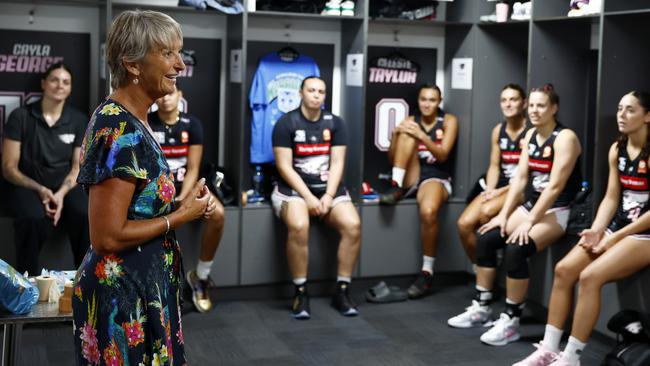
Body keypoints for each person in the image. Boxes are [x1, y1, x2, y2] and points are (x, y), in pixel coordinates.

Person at [72, 10, 214, 365]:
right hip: (122, 298)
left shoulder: (137, 119)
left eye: (179, 53)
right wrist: (180, 216)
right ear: (132, 65)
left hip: (146, 289)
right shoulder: (115, 128)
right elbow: (106, 237)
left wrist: (182, 207)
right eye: (168, 54)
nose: (180, 65)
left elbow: (140, 202)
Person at [513, 91, 650, 366]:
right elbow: (612, 197)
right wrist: (598, 231)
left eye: (630, 110)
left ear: (647, 116)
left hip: (643, 233)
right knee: (564, 270)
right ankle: (548, 350)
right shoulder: (617, 148)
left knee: (589, 277)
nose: (621, 115)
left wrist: (614, 238)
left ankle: (571, 358)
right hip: (619, 225)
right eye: (620, 108)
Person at [447, 85, 582, 347]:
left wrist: (529, 221)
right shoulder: (531, 134)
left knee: (515, 248)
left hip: (560, 209)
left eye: (541, 105)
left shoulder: (565, 137)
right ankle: (483, 307)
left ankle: (511, 321)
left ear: (554, 108)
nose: (534, 110)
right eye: (531, 105)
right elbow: (520, 179)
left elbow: (555, 186)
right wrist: (503, 215)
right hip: (531, 205)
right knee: (486, 237)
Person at [272, 76, 361, 319]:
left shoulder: (335, 123)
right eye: (311, 90)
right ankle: (300, 291)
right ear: (301, 93)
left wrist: (329, 195)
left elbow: (338, 161)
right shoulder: (286, 123)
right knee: (300, 225)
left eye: (321, 91)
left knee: (353, 225)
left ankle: (342, 290)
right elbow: (284, 167)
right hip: (294, 190)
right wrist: (309, 197)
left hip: (327, 188)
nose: (316, 95)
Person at [1, 62, 89, 275]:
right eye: (54, 80)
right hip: (28, 184)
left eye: (66, 82)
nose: (60, 85)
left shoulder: (78, 120)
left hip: (65, 187)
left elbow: (77, 168)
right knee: (31, 217)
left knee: (85, 212)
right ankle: (26, 282)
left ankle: (86, 280)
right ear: (43, 84)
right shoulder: (21, 116)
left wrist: (59, 194)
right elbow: (8, 168)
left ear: (70, 88)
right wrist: (40, 190)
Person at [378, 83, 459, 299]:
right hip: (410, 174)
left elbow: (442, 155)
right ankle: (395, 188)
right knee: (406, 131)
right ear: (418, 100)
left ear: (439, 102)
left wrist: (423, 137)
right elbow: (392, 158)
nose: (427, 104)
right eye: (423, 99)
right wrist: (396, 136)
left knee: (429, 212)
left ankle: (427, 272)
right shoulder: (411, 121)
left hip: (435, 175)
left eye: (432, 100)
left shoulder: (448, 121)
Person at [149, 87, 225, 313]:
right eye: (161, 94)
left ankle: (200, 278)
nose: (165, 98)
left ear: (180, 96)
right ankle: (158, 287)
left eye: (171, 94)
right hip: (156, 189)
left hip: (187, 188)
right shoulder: (147, 121)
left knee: (218, 214)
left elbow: (193, 168)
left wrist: (183, 198)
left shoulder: (192, 124)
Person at [457, 84, 528, 264]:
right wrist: (490, 190)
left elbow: (526, 177)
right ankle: (482, 267)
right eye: (504, 100)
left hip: (520, 189)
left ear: (524, 103)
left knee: (486, 212)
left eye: (513, 99)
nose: (508, 104)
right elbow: (494, 166)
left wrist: (499, 192)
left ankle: (492, 261)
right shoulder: (498, 130)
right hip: (500, 186)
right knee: (464, 224)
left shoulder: (531, 132)